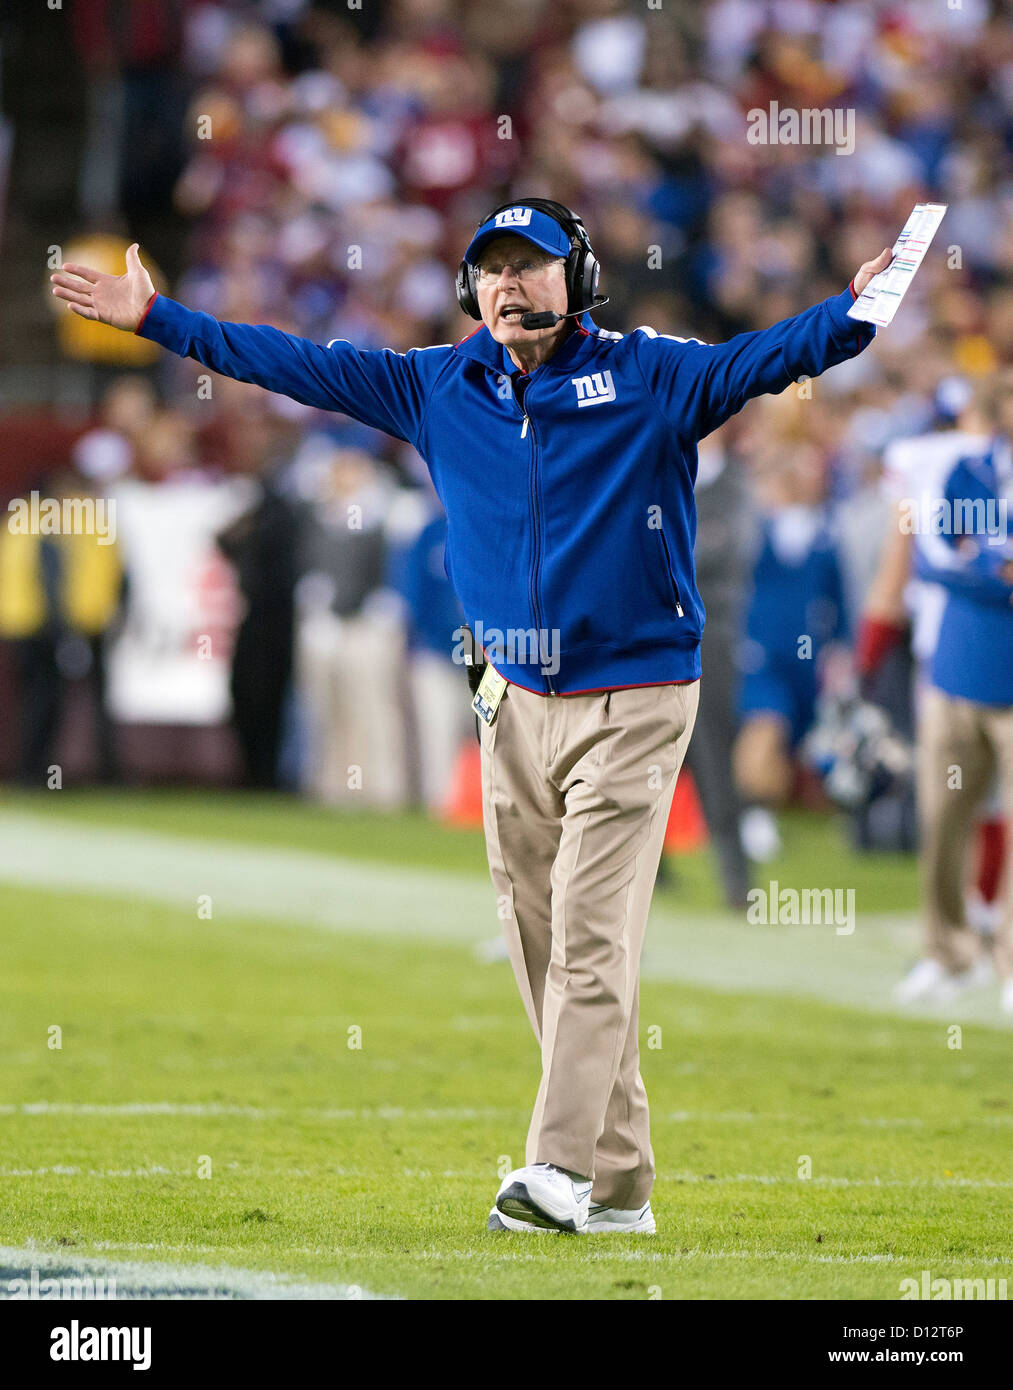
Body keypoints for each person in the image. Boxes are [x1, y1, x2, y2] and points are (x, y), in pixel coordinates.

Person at [51, 202, 887, 1235]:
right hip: (509, 702)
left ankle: (554, 1167)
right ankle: (621, 1187)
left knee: (588, 931)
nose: (509, 288)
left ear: (575, 279)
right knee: (539, 942)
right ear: (467, 291)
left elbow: (769, 356)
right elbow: (292, 361)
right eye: (491, 272)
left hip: (632, 693)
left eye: (530, 269)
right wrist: (160, 321)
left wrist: (856, 309)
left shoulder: (651, 374)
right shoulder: (435, 384)